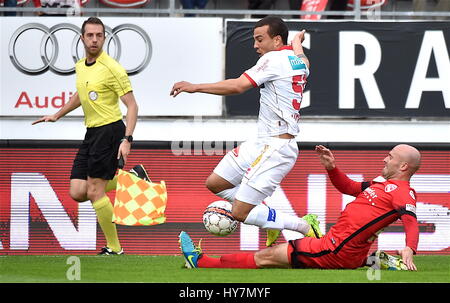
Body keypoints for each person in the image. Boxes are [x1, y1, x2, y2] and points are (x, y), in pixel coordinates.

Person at [171, 17, 318, 247]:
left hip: (276, 147)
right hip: (261, 142)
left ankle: (304, 226)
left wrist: (195, 87)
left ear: (277, 40)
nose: (255, 45)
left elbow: (238, 86)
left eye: (260, 39)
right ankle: (266, 215)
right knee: (215, 183)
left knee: (240, 212)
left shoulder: (273, 59)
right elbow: (304, 60)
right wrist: (297, 42)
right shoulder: (296, 61)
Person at [179, 144, 421, 271]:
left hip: (334, 250)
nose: (384, 159)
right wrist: (331, 168)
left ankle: (199, 262)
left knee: (267, 257)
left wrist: (410, 247)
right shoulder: (380, 185)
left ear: (403, 167)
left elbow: (410, 219)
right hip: (343, 247)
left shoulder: (401, 191)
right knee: (280, 255)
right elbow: (348, 187)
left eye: (390, 157)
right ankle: (375, 261)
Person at [32, 17, 150, 255]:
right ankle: (133, 177)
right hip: (91, 132)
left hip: (109, 131)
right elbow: (80, 94)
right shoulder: (80, 65)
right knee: (78, 191)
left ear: (105, 38)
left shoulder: (112, 68)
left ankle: (114, 248)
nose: (94, 39)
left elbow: (133, 106)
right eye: (90, 35)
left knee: (95, 191)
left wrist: (127, 140)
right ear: (82, 38)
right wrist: (57, 114)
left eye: (99, 35)